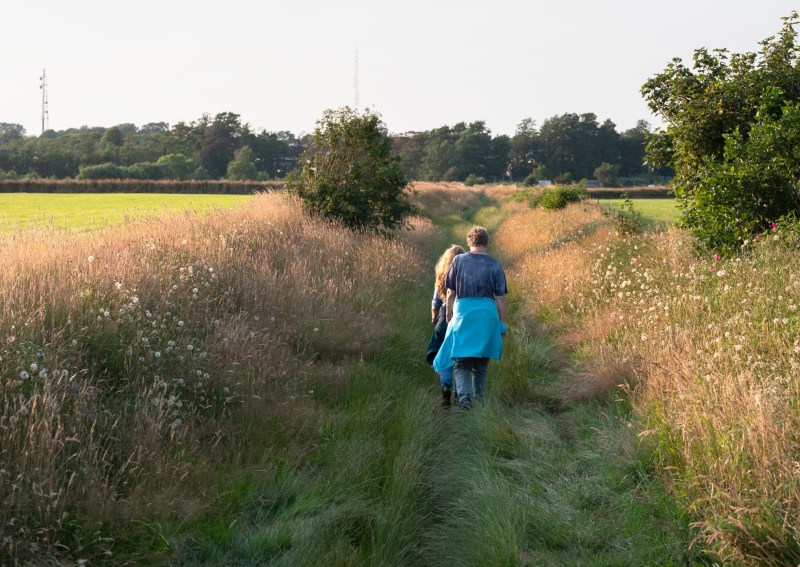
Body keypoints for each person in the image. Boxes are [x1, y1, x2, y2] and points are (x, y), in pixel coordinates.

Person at [433, 226, 508, 408]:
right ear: (486, 242)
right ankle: (480, 403)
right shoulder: (495, 264)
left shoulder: (458, 261)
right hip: (487, 315)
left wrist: (450, 315)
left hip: (463, 314)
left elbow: (450, 293)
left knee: (461, 362)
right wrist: (502, 324)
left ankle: (465, 403)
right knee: (481, 365)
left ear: (469, 242)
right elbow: (500, 298)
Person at [426, 245, 465, 407]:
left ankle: (446, 385)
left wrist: (435, 318)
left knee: (441, 354)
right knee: (458, 355)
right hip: (462, 316)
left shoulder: (441, 275)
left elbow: (435, 302)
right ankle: (457, 390)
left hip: (444, 317)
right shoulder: (464, 274)